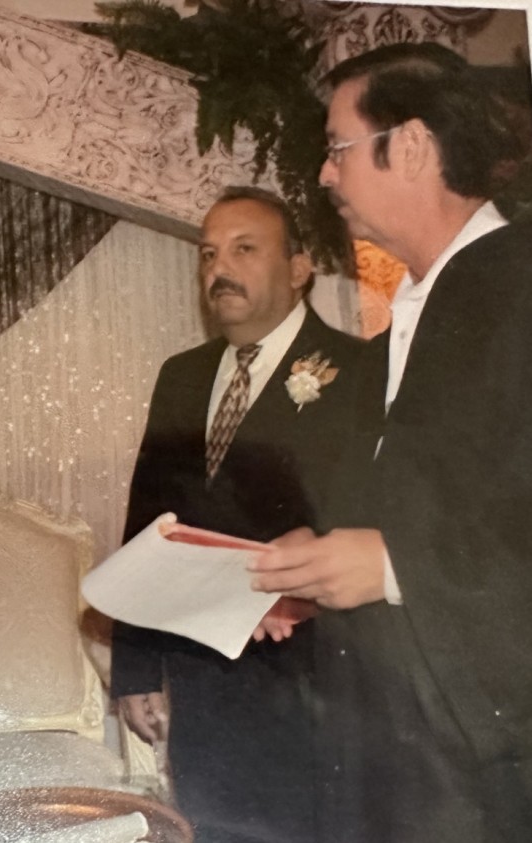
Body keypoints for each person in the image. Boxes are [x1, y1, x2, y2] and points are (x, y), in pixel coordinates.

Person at [249, 43, 532, 840]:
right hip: (384, 753)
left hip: (492, 766)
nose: (323, 175)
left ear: (409, 146)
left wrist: (393, 565)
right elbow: (410, 507)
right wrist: (313, 563)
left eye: (337, 148)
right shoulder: (388, 337)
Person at [109, 186, 364, 842]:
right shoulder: (182, 376)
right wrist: (136, 667)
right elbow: (148, 524)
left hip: (316, 696)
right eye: (207, 254)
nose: (219, 269)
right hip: (203, 694)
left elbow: (368, 522)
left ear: (299, 268)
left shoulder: (360, 371)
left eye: (244, 249)